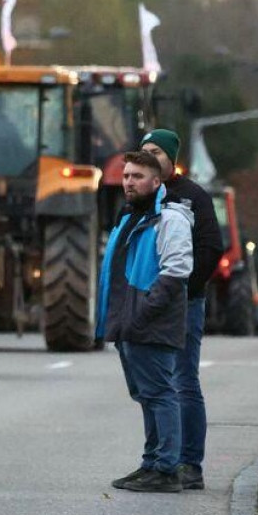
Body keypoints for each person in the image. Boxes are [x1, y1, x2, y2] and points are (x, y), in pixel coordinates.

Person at [97, 150, 194, 493]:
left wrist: (142, 313)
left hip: (150, 323)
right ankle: (152, 462)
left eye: (137, 177)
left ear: (157, 181)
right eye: (126, 176)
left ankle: (167, 469)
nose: (128, 182)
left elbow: (177, 271)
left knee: (160, 394)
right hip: (131, 323)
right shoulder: (131, 218)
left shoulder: (170, 220)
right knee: (147, 395)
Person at [140, 128, 223, 491]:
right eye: (144, 151)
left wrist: (184, 289)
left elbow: (210, 249)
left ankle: (190, 464)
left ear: (171, 157)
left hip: (185, 303)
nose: (149, 155)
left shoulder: (192, 196)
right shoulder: (142, 195)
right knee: (154, 386)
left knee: (183, 381)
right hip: (148, 304)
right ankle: (158, 461)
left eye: (156, 151)